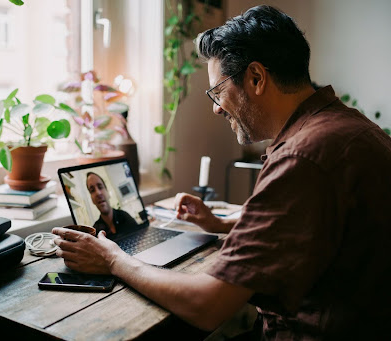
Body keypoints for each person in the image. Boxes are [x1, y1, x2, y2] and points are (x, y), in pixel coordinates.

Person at [53, 5, 391, 339]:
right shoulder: (350, 127)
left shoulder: (302, 157)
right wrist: (223, 224)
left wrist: (112, 259)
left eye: (218, 91)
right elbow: (319, 222)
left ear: (256, 78)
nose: (216, 108)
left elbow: (207, 304)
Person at [86, 172, 137, 236]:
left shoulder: (125, 216)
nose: (98, 193)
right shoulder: (95, 232)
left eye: (100, 187)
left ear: (108, 193)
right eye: (92, 190)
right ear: (92, 199)